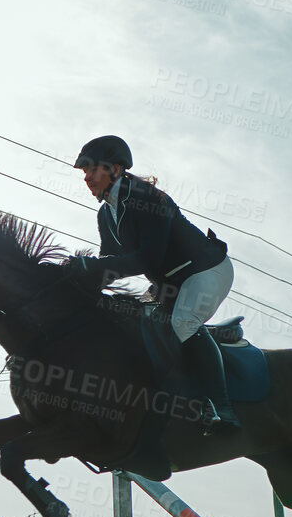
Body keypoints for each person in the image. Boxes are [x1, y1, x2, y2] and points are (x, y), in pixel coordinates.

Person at [69, 135, 239, 430]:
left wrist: (94, 267)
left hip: (206, 270)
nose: (87, 178)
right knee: (139, 323)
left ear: (116, 169)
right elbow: (109, 262)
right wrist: (79, 282)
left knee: (183, 322)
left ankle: (222, 409)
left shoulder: (146, 197)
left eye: (92, 169)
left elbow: (147, 260)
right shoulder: (106, 213)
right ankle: (211, 338)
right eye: (84, 172)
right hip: (171, 283)